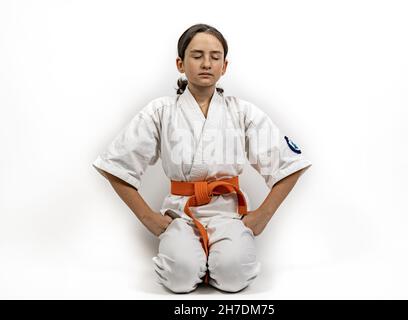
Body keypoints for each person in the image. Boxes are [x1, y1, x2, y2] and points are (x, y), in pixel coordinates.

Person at [92, 23, 312, 293]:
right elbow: (115, 165)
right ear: (180, 63)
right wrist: (147, 217)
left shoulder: (242, 112)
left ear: (225, 66)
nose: (206, 63)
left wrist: (262, 217)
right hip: (181, 213)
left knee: (234, 276)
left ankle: (217, 264)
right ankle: (194, 262)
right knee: (179, 278)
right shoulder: (160, 111)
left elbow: (289, 165)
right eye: (196, 55)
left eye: (215, 57)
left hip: (229, 213)